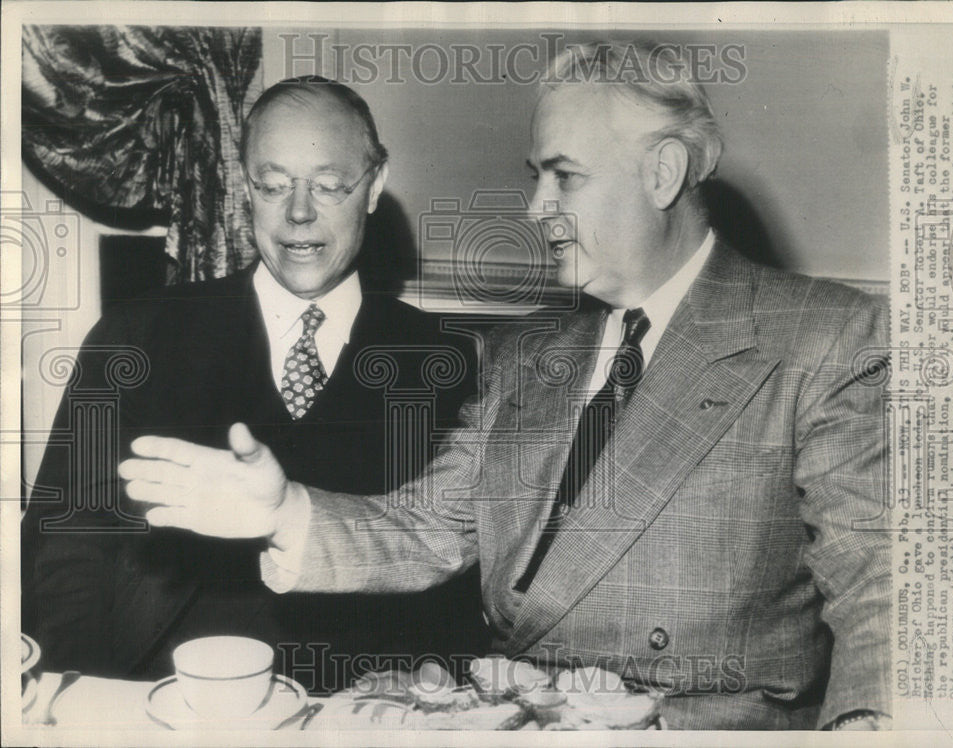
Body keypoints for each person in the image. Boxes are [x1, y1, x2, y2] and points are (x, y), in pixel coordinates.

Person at [119, 43, 892, 729]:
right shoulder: (526, 355)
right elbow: (429, 528)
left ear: (662, 173)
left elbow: (885, 599)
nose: (534, 208)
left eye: (564, 177)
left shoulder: (826, 337)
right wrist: (284, 510)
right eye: (535, 178)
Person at [21, 76, 488, 693]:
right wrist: (77, 702)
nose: (298, 212)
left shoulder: (449, 360)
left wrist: (434, 684)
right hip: (162, 706)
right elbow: (68, 550)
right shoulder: (135, 335)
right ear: (246, 190)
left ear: (374, 186)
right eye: (272, 185)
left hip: (357, 711)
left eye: (327, 185)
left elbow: (460, 573)